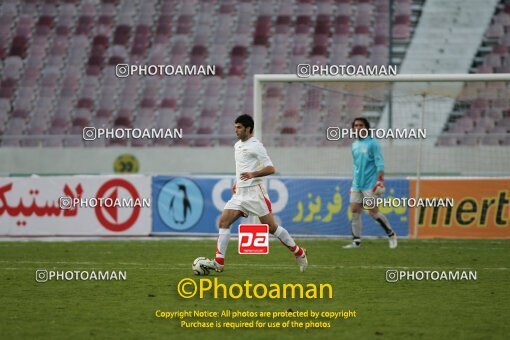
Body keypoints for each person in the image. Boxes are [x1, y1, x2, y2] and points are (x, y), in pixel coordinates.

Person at [204, 114, 308, 272]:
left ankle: (299, 252)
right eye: (235, 127)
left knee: (271, 227)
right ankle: (219, 262)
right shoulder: (237, 145)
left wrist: (253, 175)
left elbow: (271, 168)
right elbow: (242, 167)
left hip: (254, 193)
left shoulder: (256, 145)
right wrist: (237, 183)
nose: (236, 130)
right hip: (240, 194)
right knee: (223, 222)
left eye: (239, 127)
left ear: (248, 128)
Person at [343, 117, 397, 249]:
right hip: (357, 184)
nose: (358, 127)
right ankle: (356, 242)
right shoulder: (354, 145)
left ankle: (391, 234)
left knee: (372, 212)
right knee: (355, 210)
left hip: (370, 184)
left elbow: (380, 163)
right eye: (356, 125)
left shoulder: (373, 143)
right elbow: (356, 166)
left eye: (361, 125)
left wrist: (380, 181)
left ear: (366, 128)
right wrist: (353, 184)